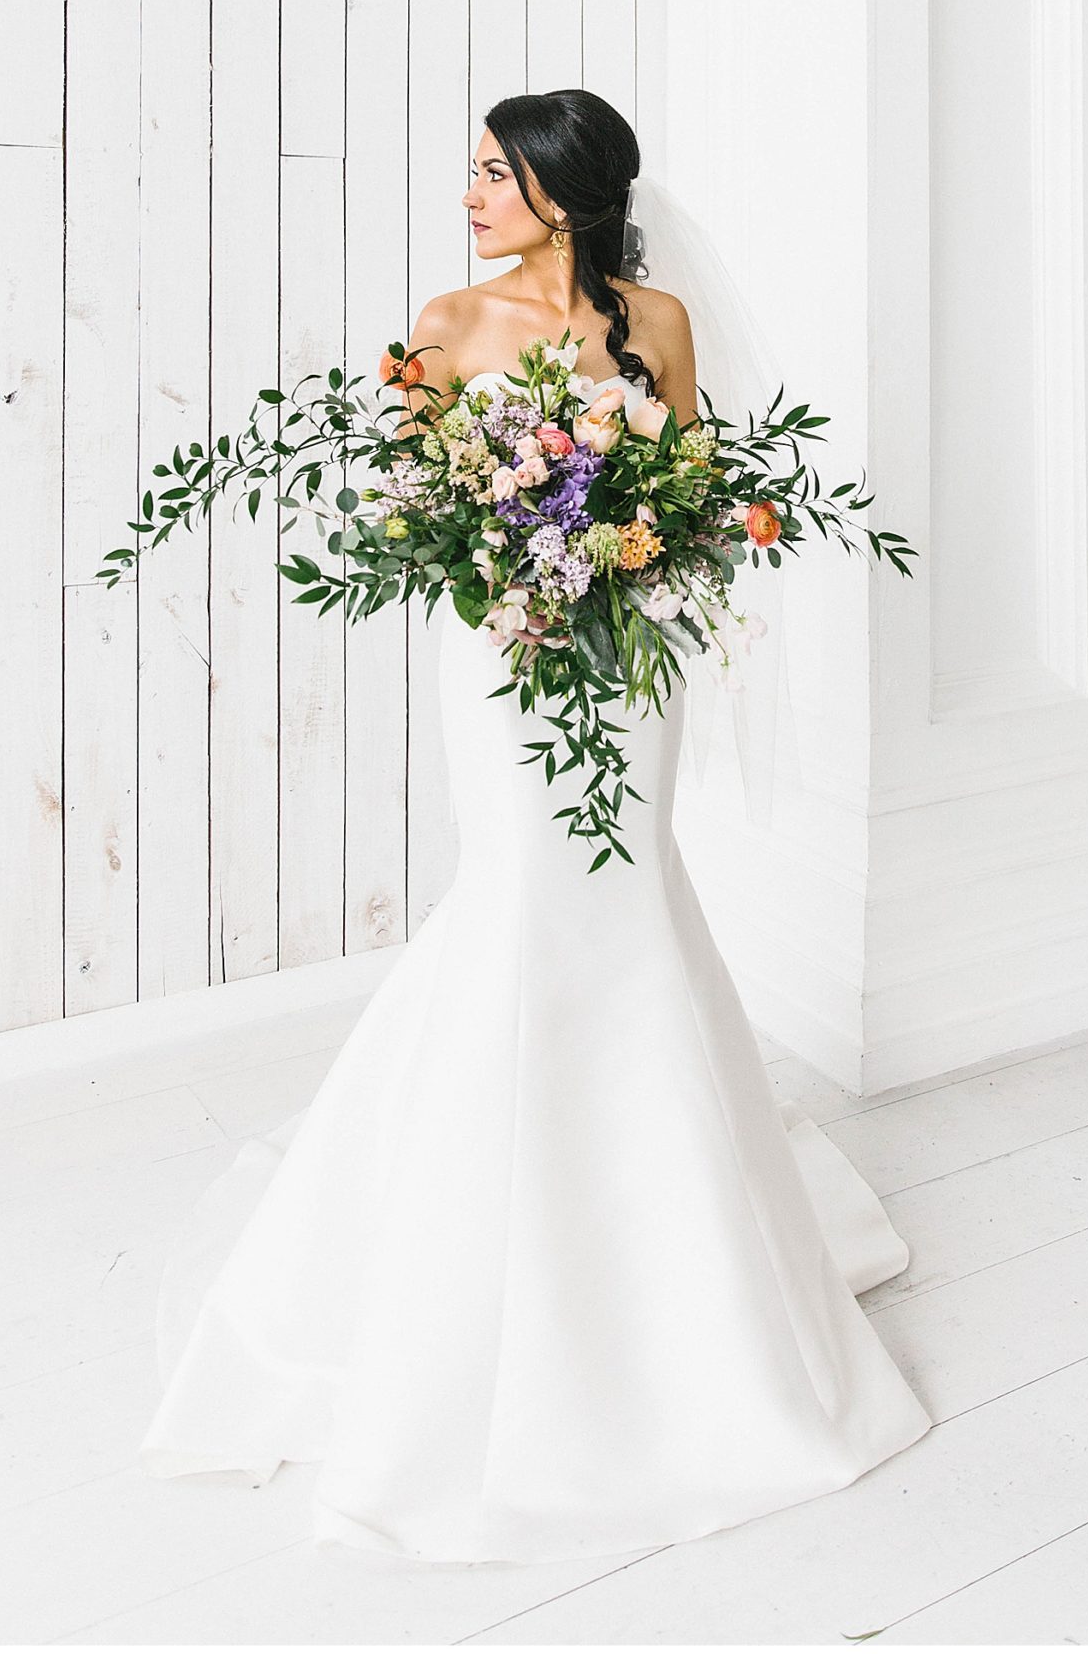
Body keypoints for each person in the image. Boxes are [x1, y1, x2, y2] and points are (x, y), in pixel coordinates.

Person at [138, 86, 931, 1564]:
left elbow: (694, 494)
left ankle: (672, 1263)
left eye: (497, 174)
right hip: (499, 664)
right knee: (515, 904)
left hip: (625, 667)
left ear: (566, 188)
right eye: (473, 173)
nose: (473, 196)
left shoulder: (663, 320)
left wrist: (624, 549)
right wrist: (501, 546)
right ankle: (469, 1250)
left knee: (628, 899)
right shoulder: (444, 321)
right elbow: (401, 503)